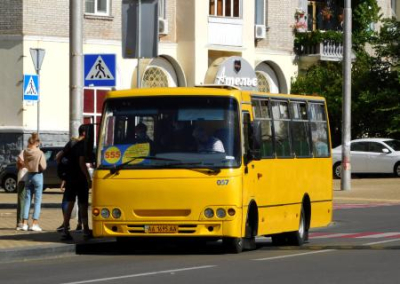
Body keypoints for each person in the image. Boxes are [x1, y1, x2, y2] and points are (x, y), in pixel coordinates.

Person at [58, 125, 92, 241]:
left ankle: (65, 230)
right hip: (80, 179)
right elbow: (82, 162)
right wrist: (88, 178)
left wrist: (66, 170)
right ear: (85, 133)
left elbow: (58, 157)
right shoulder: (82, 145)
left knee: (70, 203)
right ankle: (86, 230)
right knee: (83, 204)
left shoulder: (71, 143)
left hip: (70, 178)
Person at [21, 133, 47, 231]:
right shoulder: (39, 153)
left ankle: (24, 223)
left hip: (28, 175)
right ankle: (34, 224)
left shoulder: (25, 152)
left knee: (27, 200)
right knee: (37, 201)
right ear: (37, 142)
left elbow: (24, 163)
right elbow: (43, 166)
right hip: (37, 175)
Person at [15, 147, 28, 230]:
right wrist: (28, 164)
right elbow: (19, 162)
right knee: (21, 201)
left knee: (27, 201)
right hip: (22, 179)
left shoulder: (35, 152)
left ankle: (25, 221)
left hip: (30, 179)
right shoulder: (24, 151)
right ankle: (20, 222)